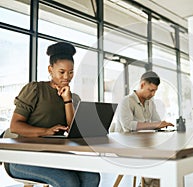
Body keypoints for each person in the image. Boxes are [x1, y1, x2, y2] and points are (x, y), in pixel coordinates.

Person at [7, 42, 100, 187]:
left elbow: (72, 131)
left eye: (71, 72)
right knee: (68, 181)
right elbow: (15, 126)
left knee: (92, 177)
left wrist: (67, 100)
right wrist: (45, 131)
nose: (67, 77)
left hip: (55, 155)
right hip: (23, 157)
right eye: (61, 72)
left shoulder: (73, 97)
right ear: (50, 69)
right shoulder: (35, 89)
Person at [109, 71, 174, 132]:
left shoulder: (150, 102)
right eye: (151, 90)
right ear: (142, 85)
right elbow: (128, 126)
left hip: (143, 140)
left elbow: (157, 122)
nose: (153, 94)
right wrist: (154, 125)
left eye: (155, 91)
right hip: (126, 142)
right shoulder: (126, 101)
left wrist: (160, 124)